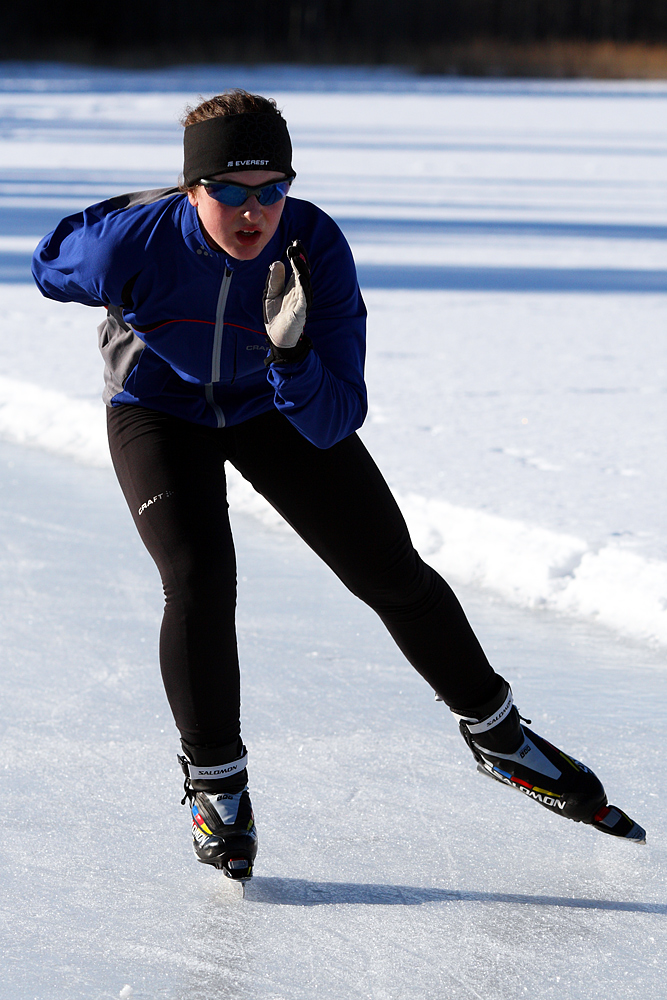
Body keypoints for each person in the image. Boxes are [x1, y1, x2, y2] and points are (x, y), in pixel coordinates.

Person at [32, 89, 645, 881]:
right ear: (193, 189)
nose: (253, 211)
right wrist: (122, 249)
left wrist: (289, 359)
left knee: (391, 572)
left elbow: (333, 419)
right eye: (227, 190)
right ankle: (216, 787)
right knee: (197, 580)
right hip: (159, 411)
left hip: (270, 404)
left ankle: (498, 735)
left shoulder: (313, 247)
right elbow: (50, 266)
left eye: (271, 190)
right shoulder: (132, 246)